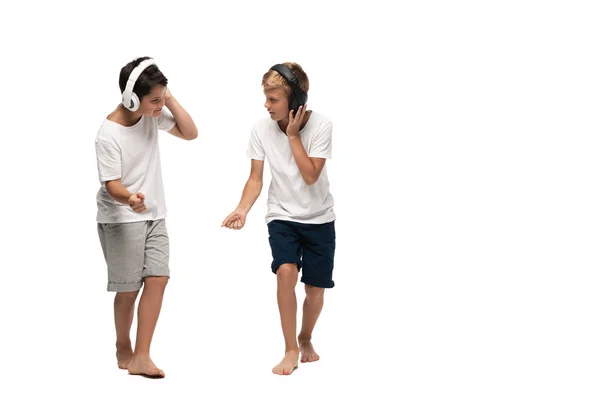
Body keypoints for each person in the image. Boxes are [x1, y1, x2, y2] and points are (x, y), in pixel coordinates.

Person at [222, 62, 336, 375]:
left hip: (319, 219)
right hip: (282, 216)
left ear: (296, 101)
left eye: (273, 100)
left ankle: (305, 337)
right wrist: (243, 208)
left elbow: (311, 176)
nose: (266, 105)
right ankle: (290, 349)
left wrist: (293, 135)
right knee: (285, 272)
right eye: (266, 98)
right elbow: (256, 178)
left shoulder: (322, 126)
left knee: (314, 291)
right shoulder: (260, 129)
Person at [95, 56, 198, 378]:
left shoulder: (152, 114)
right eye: (154, 100)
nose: (159, 106)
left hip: (155, 214)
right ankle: (122, 344)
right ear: (131, 98)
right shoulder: (107, 134)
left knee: (158, 278)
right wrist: (130, 198)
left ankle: (142, 355)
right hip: (121, 218)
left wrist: (167, 97)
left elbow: (190, 133)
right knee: (128, 289)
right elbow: (111, 184)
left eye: (161, 99)